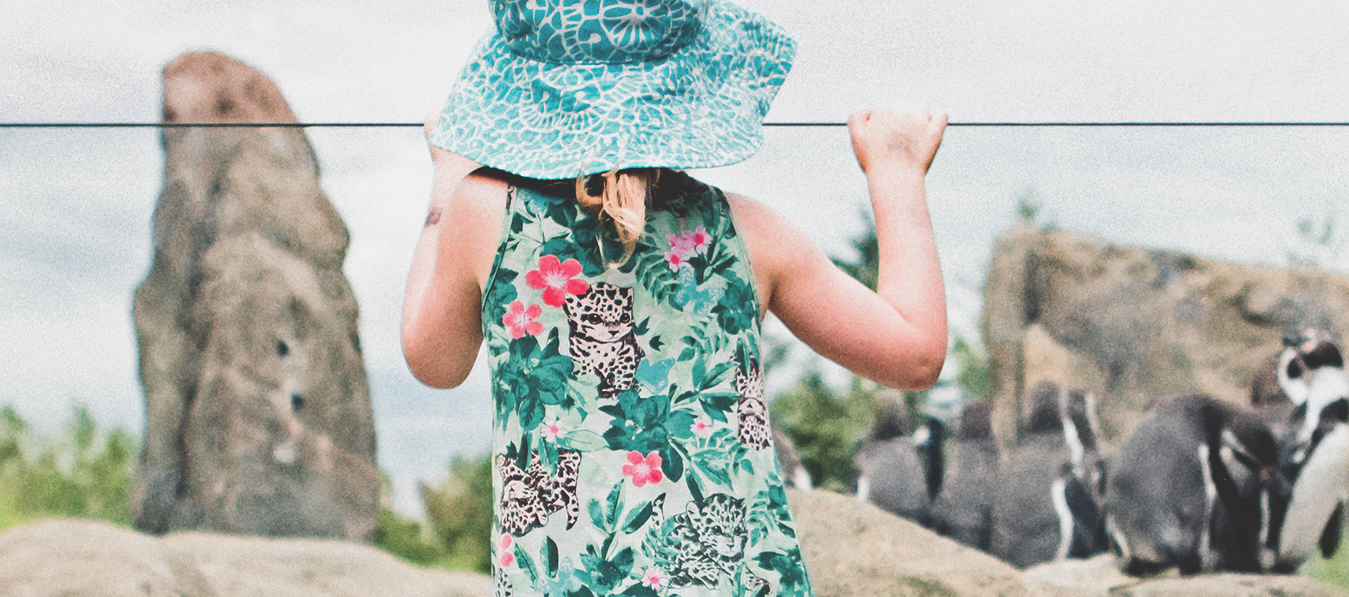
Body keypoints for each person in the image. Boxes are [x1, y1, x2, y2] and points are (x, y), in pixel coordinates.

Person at [399, 1, 948, 594]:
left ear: (521, 90)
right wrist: (895, 169)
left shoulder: (485, 216)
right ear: (695, 84)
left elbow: (434, 360)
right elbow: (913, 354)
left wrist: (446, 179)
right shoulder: (749, 234)